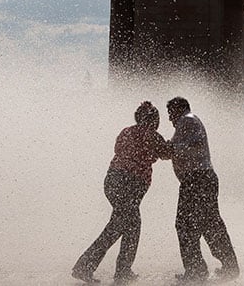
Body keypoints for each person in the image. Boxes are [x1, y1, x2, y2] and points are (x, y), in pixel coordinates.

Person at [73, 102, 172, 284]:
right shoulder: (151, 135)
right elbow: (167, 153)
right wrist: (175, 143)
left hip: (112, 181)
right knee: (123, 226)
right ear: (153, 120)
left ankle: (120, 270)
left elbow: (119, 151)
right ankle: (89, 266)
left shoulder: (125, 131)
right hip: (129, 185)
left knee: (126, 225)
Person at [167, 97, 239, 282]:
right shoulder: (185, 124)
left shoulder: (188, 120)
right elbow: (176, 148)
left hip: (197, 179)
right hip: (202, 179)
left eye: (170, 113)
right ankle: (229, 266)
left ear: (180, 109)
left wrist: (169, 148)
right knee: (210, 223)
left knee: (185, 224)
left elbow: (190, 145)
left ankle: (196, 270)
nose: (169, 118)